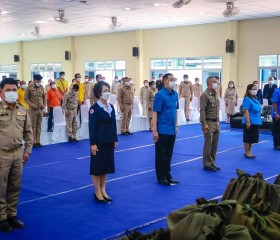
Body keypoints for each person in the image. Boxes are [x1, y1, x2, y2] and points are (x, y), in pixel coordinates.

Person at [0, 78, 33, 232]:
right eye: (8, 90)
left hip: (18, 154)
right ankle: (2, 217)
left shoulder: (22, 108)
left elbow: (28, 131)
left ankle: (12, 214)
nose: (12, 93)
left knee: (15, 185)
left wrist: (28, 150)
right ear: (1, 92)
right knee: (1, 187)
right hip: (2, 155)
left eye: (14, 90)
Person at [89, 81, 118, 203]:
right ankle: (97, 191)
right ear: (99, 93)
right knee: (97, 168)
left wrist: (115, 138)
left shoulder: (111, 107)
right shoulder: (94, 109)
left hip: (109, 141)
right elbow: (92, 128)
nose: (108, 93)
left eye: (108, 90)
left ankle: (103, 190)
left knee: (105, 168)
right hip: (99, 143)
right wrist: (93, 144)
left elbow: (114, 124)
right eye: (105, 90)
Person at [152, 73, 179, 186]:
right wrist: (154, 131)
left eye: (174, 79)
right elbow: (155, 113)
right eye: (170, 79)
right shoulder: (160, 95)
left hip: (172, 130)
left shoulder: (175, 94)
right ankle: (161, 176)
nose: (173, 81)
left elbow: (175, 111)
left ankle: (168, 174)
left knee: (169, 154)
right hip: (162, 130)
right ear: (164, 82)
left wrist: (176, 125)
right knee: (161, 154)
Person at [200, 77, 221, 171]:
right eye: (215, 82)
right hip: (209, 122)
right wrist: (204, 124)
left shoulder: (215, 94)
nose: (217, 84)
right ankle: (207, 164)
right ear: (209, 84)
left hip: (216, 122)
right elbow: (202, 110)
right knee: (208, 145)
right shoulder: (205, 95)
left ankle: (212, 162)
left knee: (214, 145)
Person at [24, 74, 46, 147]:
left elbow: (44, 97)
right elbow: (26, 99)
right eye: (38, 80)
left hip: (40, 109)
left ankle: (38, 141)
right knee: (33, 126)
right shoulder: (29, 88)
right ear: (34, 80)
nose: (39, 82)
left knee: (39, 126)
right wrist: (33, 105)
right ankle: (33, 142)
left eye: (40, 81)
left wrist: (44, 104)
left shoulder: (41, 87)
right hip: (33, 110)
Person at [242, 84, 262, 158]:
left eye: (256, 89)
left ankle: (249, 152)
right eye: (253, 89)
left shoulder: (255, 99)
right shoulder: (247, 99)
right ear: (249, 90)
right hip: (249, 121)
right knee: (247, 138)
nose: (255, 90)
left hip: (256, 121)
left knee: (252, 138)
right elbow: (245, 111)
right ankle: (247, 152)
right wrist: (248, 122)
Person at [271, 86, 280, 150]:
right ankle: (276, 144)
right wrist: (276, 113)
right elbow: (274, 103)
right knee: (277, 130)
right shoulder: (277, 91)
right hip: (278, 114)